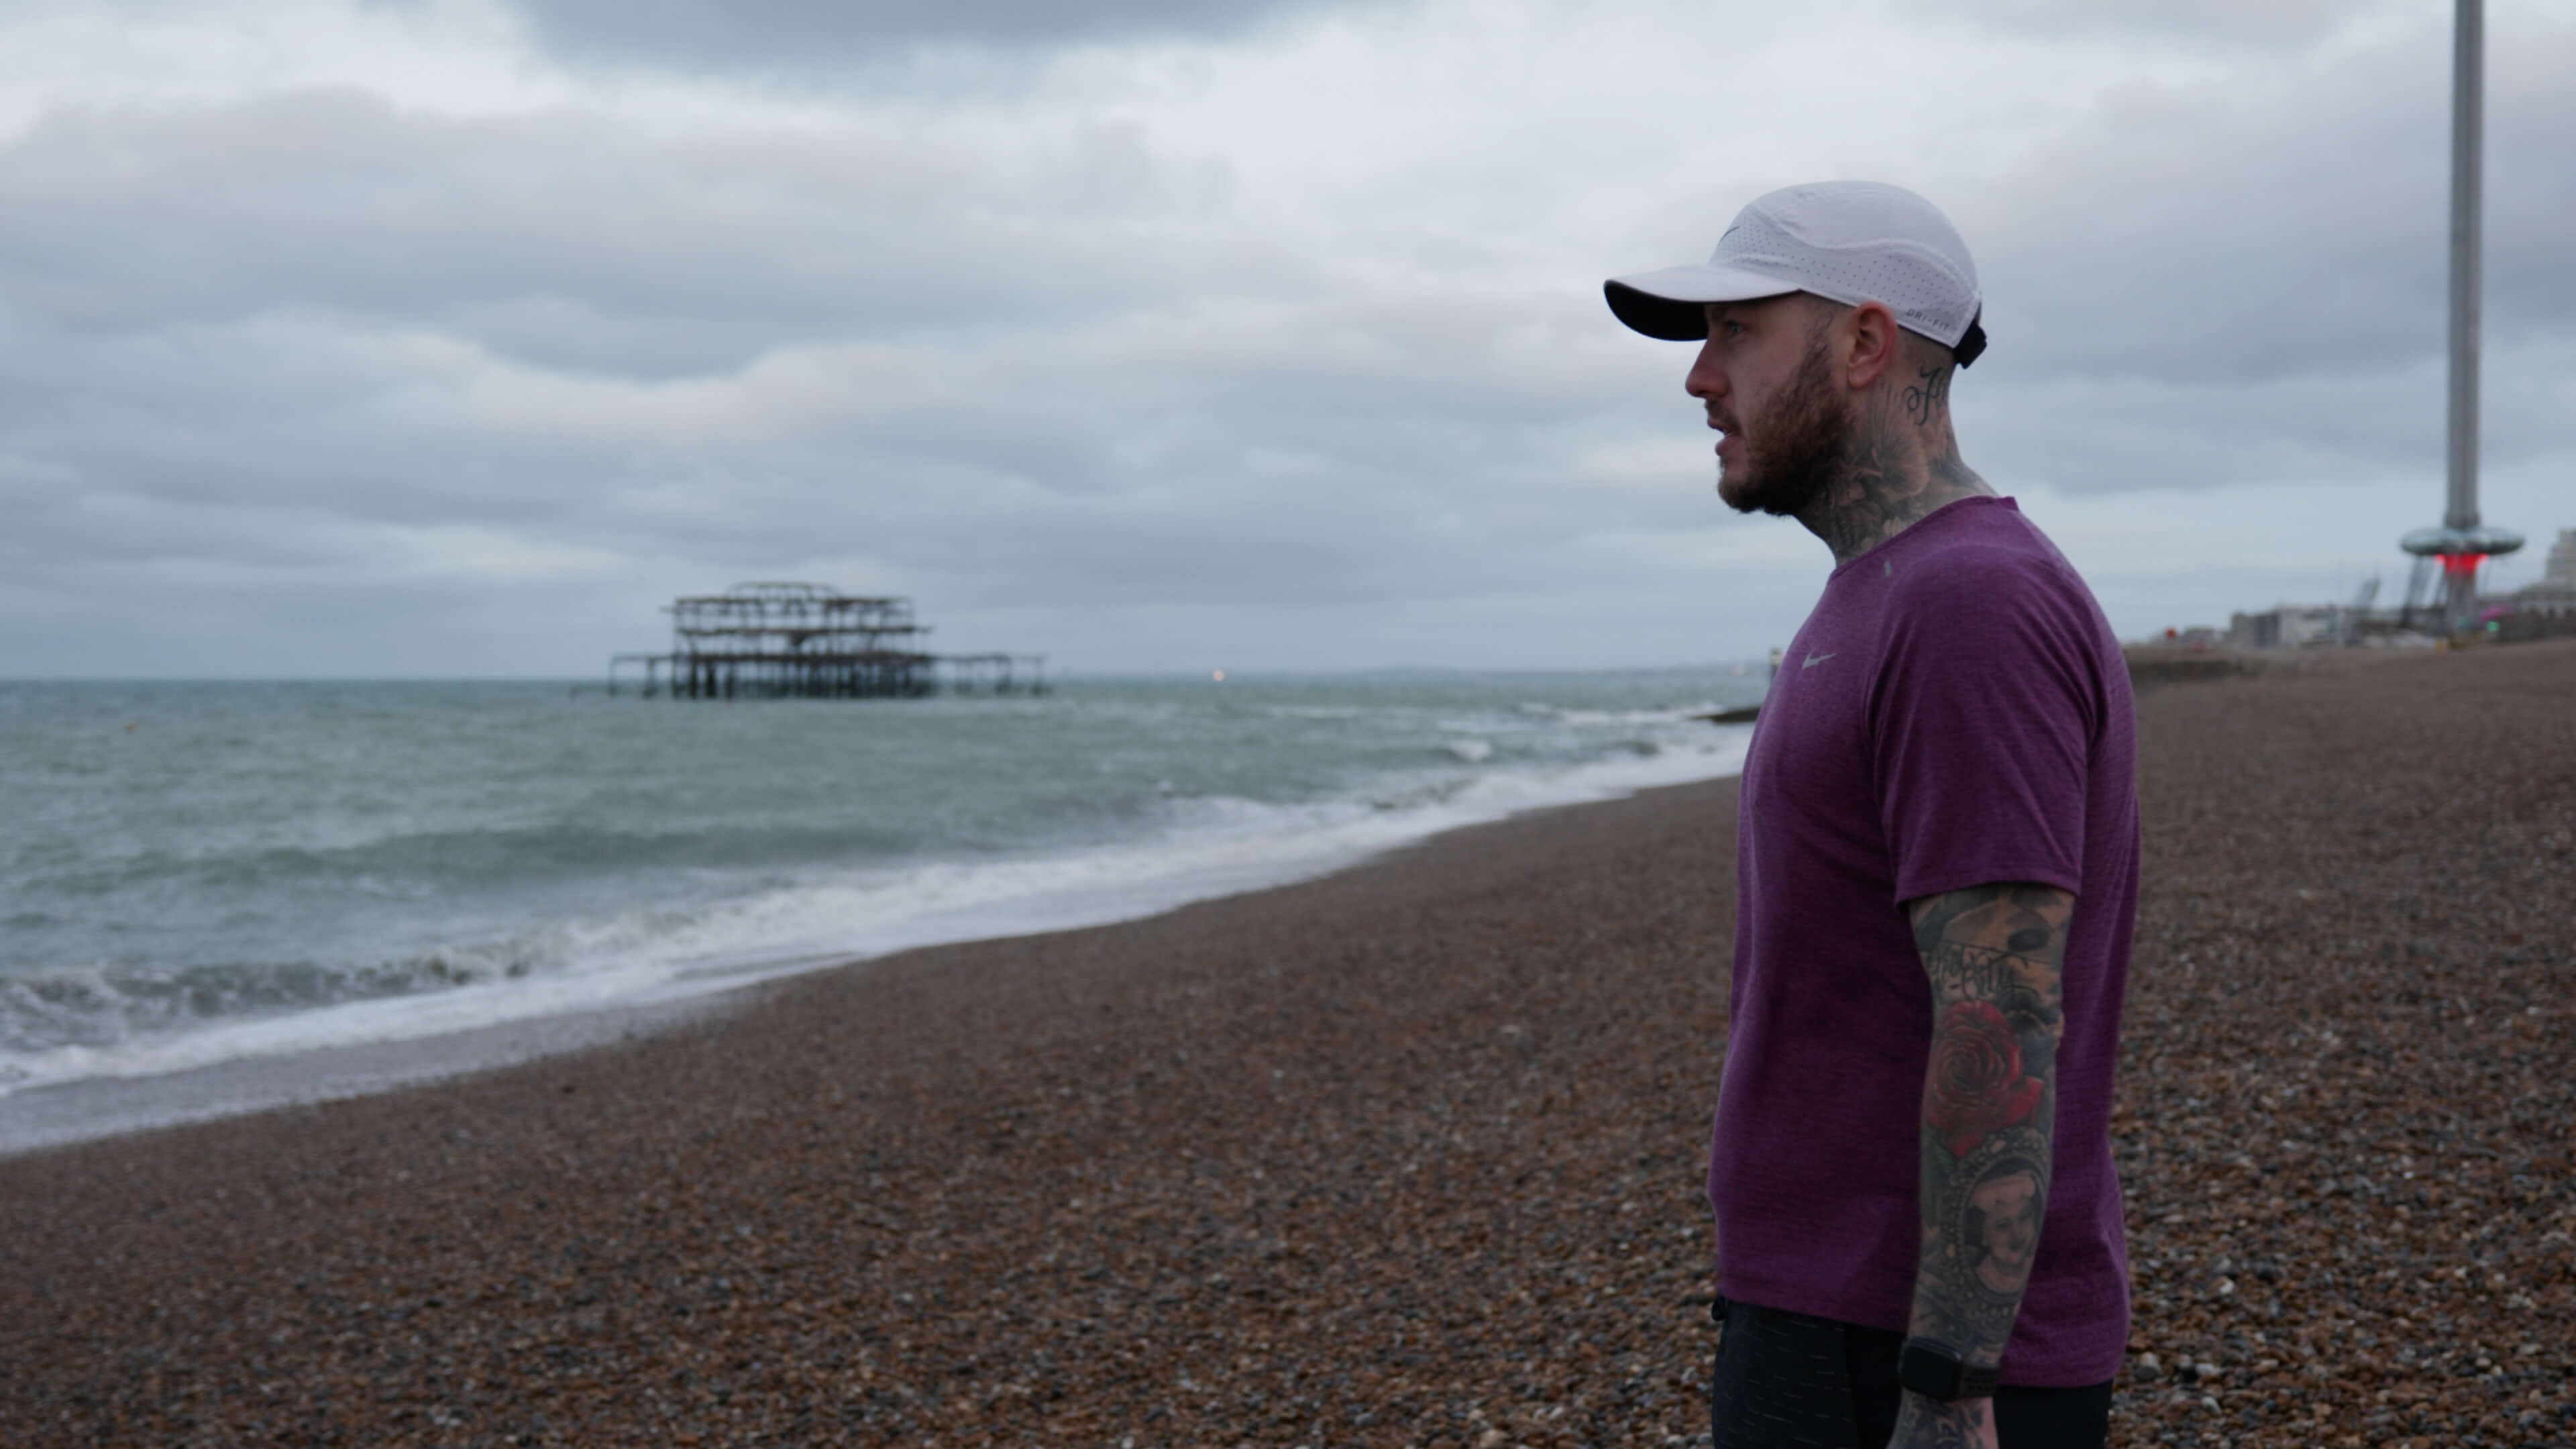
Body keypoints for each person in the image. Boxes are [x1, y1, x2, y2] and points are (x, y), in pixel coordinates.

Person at [1602, 181, 2139, 1449]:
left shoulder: (1969, 607)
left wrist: (1950, 1385)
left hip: (1895, 1347)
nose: (1698, 379)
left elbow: (2001, 1013)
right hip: (1830, 1316)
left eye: (1736, 331)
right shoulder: (1880, 591)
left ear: (1864, 344)